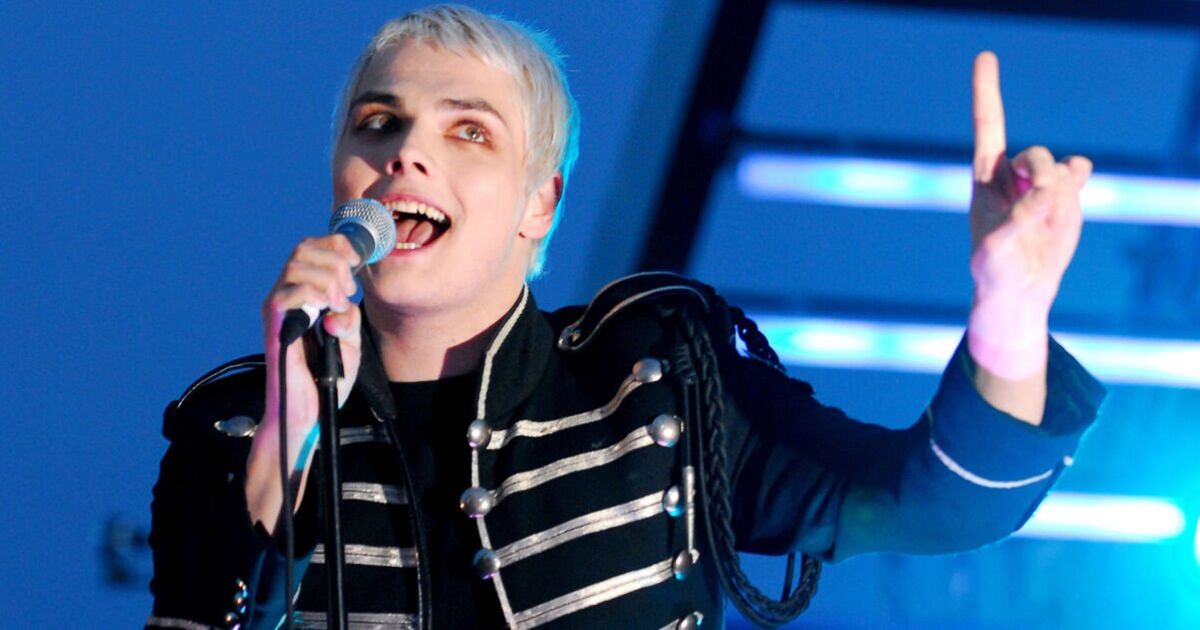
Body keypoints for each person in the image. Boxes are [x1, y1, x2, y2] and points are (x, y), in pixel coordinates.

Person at [147, 4, 1105, 629]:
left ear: (539, 204)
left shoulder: (657, 383)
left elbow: (937, 504)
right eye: (378, 123)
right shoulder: (232, 427)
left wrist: (1010, 315)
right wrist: (285, 439)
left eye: (468, 130)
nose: (405, 153)